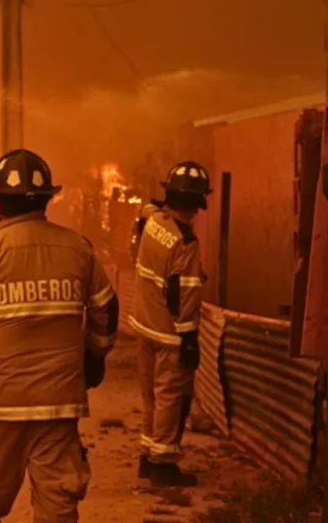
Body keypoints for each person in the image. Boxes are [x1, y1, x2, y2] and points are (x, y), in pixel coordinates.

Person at [0, 149, 119, 523]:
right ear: (47, 199)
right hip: (59, 404)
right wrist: (93, 357)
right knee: (57, 508)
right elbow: (106, 311)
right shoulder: (79, 248)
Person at [128, 161, 211, 488]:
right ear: (197, 203)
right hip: (168, 334)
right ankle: (163, 466)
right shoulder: (186, 241)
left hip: (143, 324)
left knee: (150, 397)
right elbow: (186, 296)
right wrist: (189, 339)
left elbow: (147, 212)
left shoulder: (152, 222)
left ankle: (147, 459)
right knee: (169, 398)